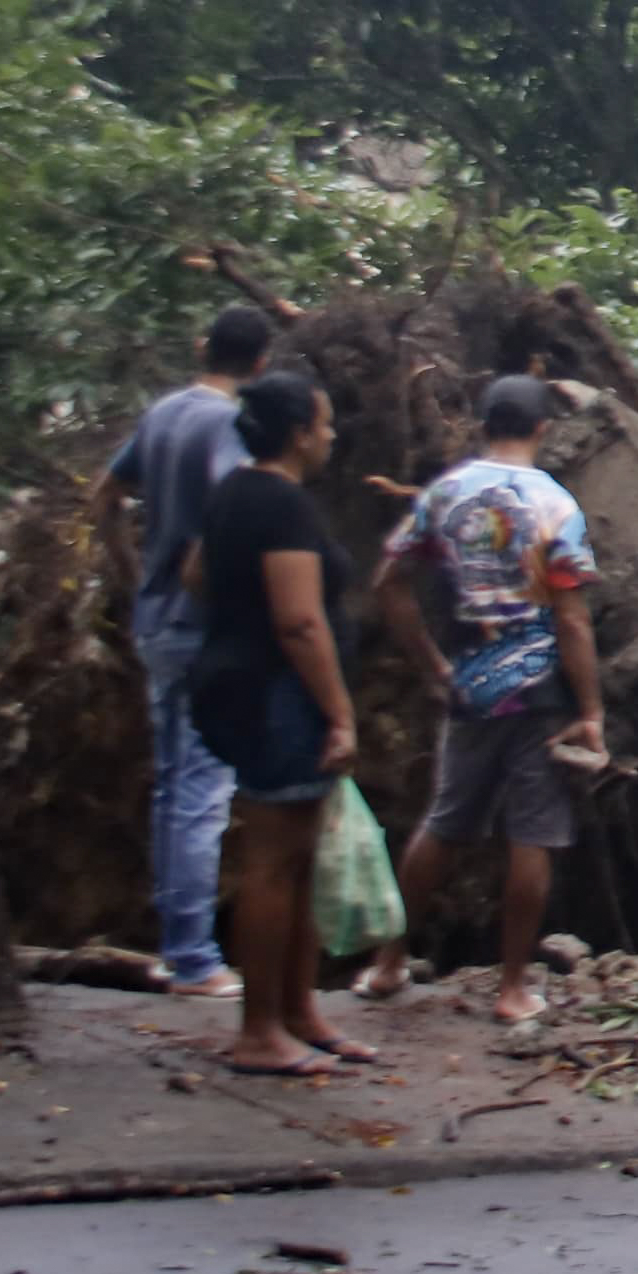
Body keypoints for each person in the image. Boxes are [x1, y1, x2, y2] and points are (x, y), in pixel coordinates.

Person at [361, 376, 607, 1024]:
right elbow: (574, 619)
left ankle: (388, 963)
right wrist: (591, 712)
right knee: (532, 835)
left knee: (443, 823)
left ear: (482, 424)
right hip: (541, 690)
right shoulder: (555, 504)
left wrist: (430, 665)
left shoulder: (445, 494)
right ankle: (513, 988)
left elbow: (388, 581)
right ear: (542, 430)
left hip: (470, 683)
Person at [187, 371, 375, 1076]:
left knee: (298, 857)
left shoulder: (234, 493)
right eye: (324, 426)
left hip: (233, 683)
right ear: (299, 433)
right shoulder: (282, 504)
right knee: (272, 860)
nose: (330, 437)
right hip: (277, 696)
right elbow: (299, 621)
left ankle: (299, 1011)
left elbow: (194, 574)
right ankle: (259, 1030)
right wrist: (339, 713)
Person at [93, 303, 278, 999]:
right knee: (203, 793)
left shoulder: (165, 413)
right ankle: (194, 960)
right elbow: (227, 514)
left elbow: (105, 494)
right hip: (202, 630)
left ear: (204, 346)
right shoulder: (227, 424)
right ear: (261, 363)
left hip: (153, 622)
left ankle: (176, 947)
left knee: (174, 787)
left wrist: (132, 573)